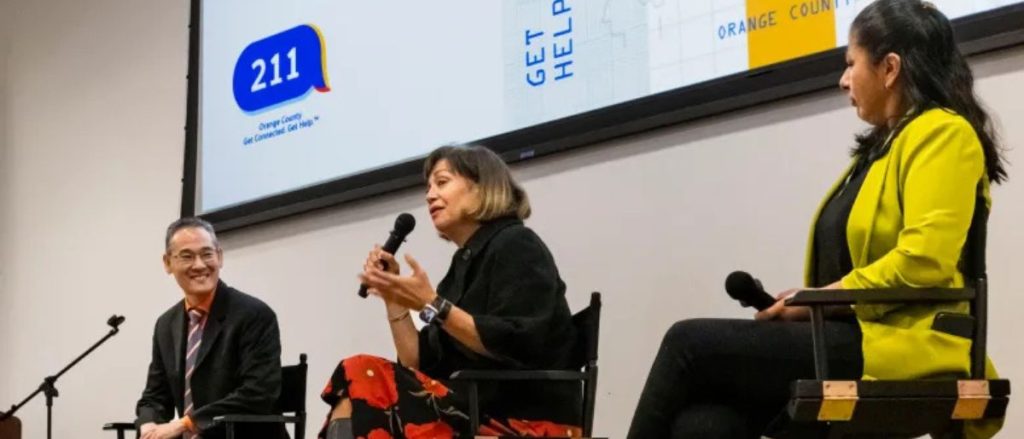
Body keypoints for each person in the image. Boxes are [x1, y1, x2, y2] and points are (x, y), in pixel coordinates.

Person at [627, 1, 1006, 438]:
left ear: (889, 68)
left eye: (850, 63)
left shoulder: (944, 133)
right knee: (705, 425)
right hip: (854, 337)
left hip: (911, 344)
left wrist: (818, 298)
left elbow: (923, 263)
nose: (843, 79)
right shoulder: (879, 150)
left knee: (687, 344)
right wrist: (809, 302)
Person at [319, 145, 581, 438]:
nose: (430, 195)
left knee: (360, 371)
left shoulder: (517, 244)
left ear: (482, 187)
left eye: (442, 182)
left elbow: (517, 343)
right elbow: (416, 364)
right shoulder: (461, 265)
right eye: (428, 187)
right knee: (359, 381)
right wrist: (394, 298)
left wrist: (432, 304)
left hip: (524, 415)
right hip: (472, 406)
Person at [136, 217, 287, 439]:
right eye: (187, 256)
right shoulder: (166, 325)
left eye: (207, 254)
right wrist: (148, 424)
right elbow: (155, 396)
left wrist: (185, 424)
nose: (199, 265)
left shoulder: (254, 314)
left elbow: (258, 393)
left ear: (220, 257)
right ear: (168, 263)